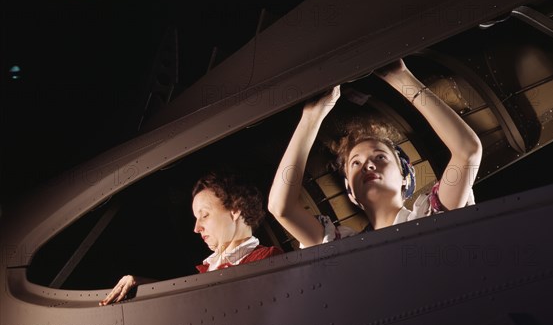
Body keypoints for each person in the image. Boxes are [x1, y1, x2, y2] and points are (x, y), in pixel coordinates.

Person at [268, 58, 482, 248]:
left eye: (380, 157)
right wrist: (310, 118)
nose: (368, 166)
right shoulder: (341, 247)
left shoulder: (431, 216)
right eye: (355, 163)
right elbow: (281, 208)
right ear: (351, 192)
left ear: (405, 178)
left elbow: (468, 151)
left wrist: (402, 78)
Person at [99, 172, 282, 305]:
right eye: (196, 218)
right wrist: (142, 285)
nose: (196, 228)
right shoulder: (210, 269)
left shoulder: (268, 261)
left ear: (235, 211)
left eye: (204, 215)